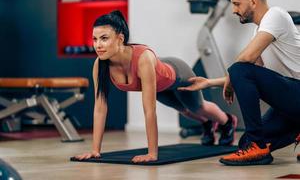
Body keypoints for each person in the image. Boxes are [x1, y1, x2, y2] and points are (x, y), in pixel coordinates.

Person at [74, 10, 237, 163]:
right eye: (95, 39)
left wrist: (152, 153)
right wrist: (95, 151)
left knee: (197, 107)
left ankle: (227, 122)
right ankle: (207, 124)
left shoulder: (143, 58)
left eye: (104, 38)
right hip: (159, 85)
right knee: (184, 110)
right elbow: (100, 108)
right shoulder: (100, 65)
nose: (98, 45)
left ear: (120, 39)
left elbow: (149, 110)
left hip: (177, 73)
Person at [179, 0, 300, 166]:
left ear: (253, 1)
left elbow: (245, 62)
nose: (233, 10)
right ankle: (267, 141)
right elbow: (251, 73)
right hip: (290, 103)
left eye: (236, 4)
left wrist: (233, 74)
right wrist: (209, 83)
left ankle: (257, 146)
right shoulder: (259, 32)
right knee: (243, 143)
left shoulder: (276, 15)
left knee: (239, 69)